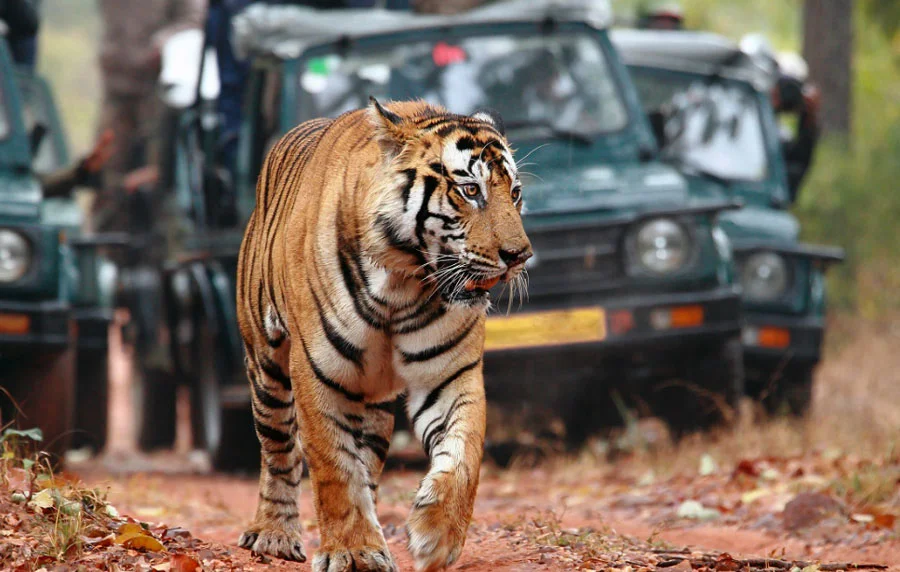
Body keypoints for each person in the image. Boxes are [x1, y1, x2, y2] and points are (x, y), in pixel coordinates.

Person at [93, 0, 208, 234]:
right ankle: (106, 243)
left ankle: (160, 245)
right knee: (107, 169)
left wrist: (165, 41)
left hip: (160, 90)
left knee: (159, 173)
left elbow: (194, 19)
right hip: (117, 85)